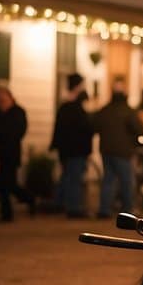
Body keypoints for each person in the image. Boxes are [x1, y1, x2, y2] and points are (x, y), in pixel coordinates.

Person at [94, 77, 143, 219]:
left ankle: (104, 209)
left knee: (108, 179)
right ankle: (127, 210)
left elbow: (95, 126)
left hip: (106, 150)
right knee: (126, 181)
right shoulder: (128, 111)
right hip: (122, 151)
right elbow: (137, 129)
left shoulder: (105, 110)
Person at [0, 83, 35, 221]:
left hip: (11, 153)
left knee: (9, 183)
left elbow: (20, 131)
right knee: (1, 184)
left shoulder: (18, 112)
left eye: (4, 98)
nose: (1, 101)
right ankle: (5, 212)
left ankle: (27, 199)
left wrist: (5, 136)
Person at [50, 73, 94, 218]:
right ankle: (73, 208)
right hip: (76, 150)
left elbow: (58, 128)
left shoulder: (65, 107)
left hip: (67, 150)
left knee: (67, 177)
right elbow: (84, 128)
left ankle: (59, 203)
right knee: (73, 178)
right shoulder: (75, 109)